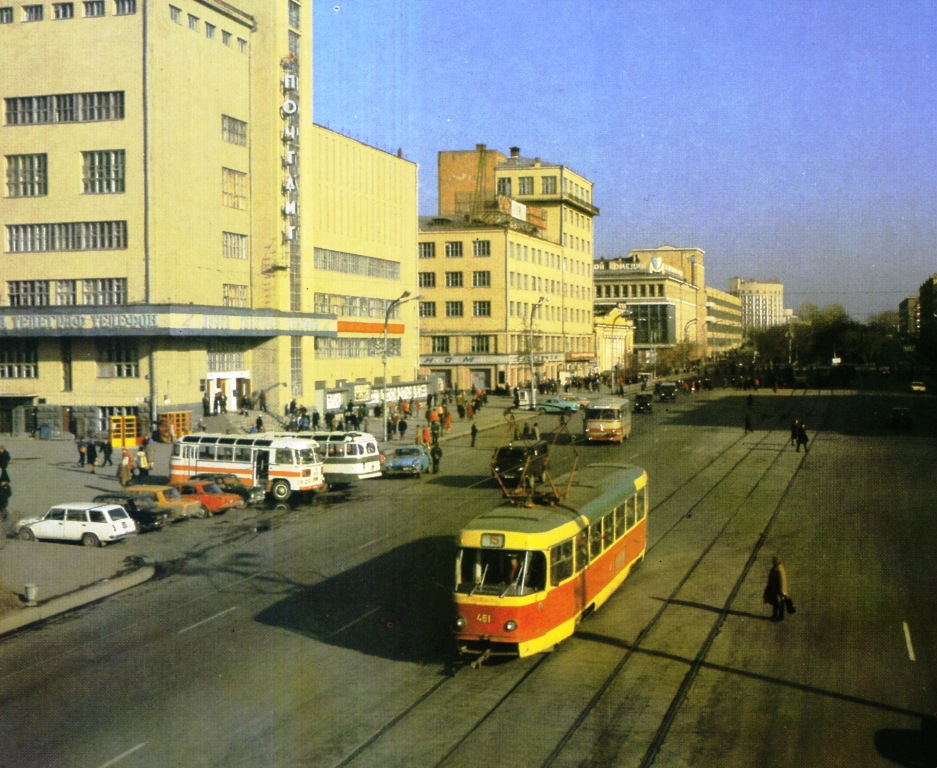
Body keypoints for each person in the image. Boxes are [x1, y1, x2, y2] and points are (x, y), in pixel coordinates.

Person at [763, 556, 790, 621]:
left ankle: (780, 617)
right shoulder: (775, 568)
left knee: (780, 604)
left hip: (779, 590)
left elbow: (782, 581)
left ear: (777, 561)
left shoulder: (780, 569)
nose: (772, 562)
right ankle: (775, 615)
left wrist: (783, 592)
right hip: (775, 589)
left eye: (773, 561)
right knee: (775, 603)